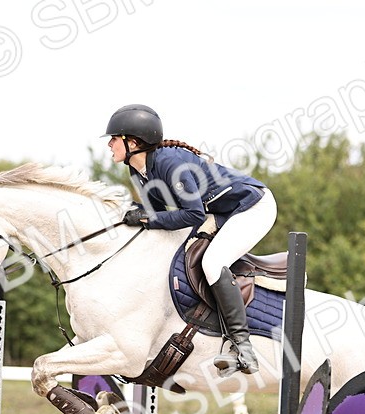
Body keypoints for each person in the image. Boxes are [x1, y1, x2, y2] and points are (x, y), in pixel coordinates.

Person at [105, 103, 275, 376]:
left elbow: (192, 214)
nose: (109, 144)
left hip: (252, 207)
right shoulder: (138, 170)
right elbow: (158, 215)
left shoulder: (170, 164)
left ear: (133, 142)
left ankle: (244, 349)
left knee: (212, 262)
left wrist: (147, 219)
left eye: (114, 138)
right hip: (219, 212)